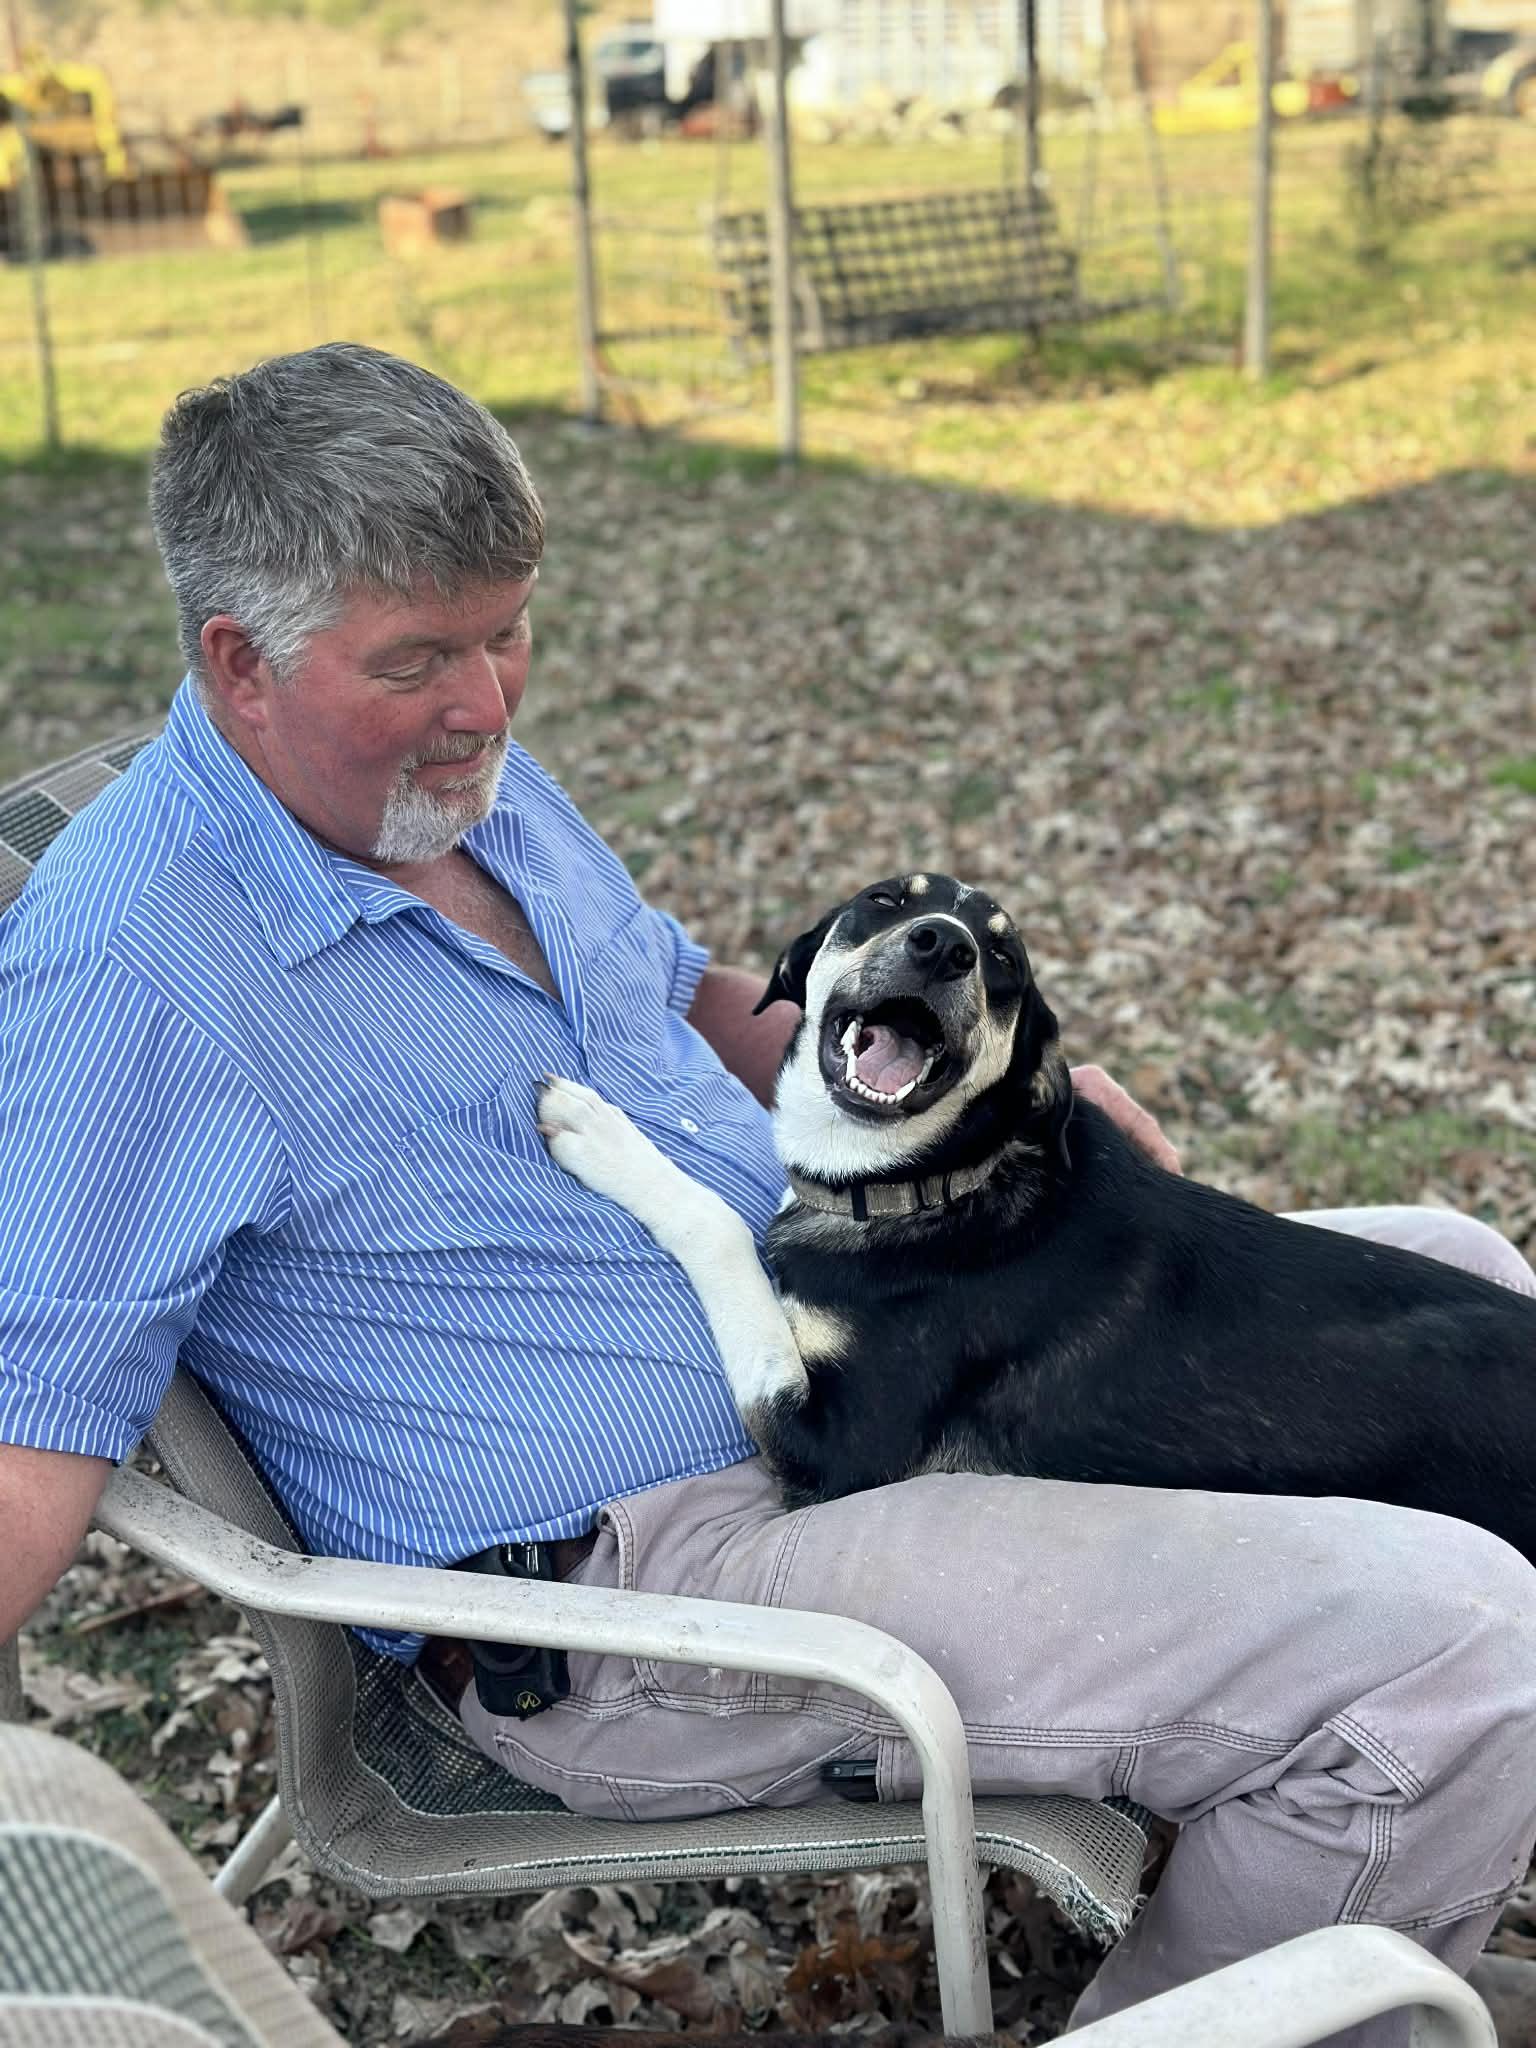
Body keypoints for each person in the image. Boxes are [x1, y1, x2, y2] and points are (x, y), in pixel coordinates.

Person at [2, 343, 1534, 2047]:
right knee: (1457, 1643)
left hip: (887, 1341)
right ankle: (1295, 1964)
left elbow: (680, 998)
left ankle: (1348, 1867)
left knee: (1461, 1277)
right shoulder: (127, 966)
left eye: (510, 630)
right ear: (237, 662)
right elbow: (29, 1434)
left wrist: (977, 1100)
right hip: (661, 1571)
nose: (490, 701)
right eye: (421, 658)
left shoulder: (447, 785)